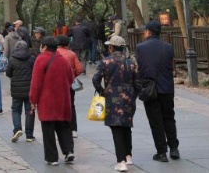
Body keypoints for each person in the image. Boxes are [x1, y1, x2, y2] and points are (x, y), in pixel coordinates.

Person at [93, 35, 139, 172]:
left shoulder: (105, 61)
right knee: (126, 125)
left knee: (116, 128)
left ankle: (121, 162)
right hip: (129, 97)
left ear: (111, 48)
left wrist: (102, 91)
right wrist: (133, 95)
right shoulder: (131, 62)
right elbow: (137, 82)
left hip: (112, 97)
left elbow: (95, 79)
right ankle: (128, 156)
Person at [135, 21, 180, 161]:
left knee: (156, 122)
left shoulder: (140, 47)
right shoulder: (168, 47)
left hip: (150, 88)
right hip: (167, 88)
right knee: (169, 119)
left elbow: (141, 67)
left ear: (148, 32)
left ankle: (161, 152)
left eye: (145, 31)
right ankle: (174, 148)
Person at [30, 36, 75, 166]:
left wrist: (33, 100)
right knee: (64, 126)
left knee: (48, 130)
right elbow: (71, 78)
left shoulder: (41, 59)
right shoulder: (63, 60)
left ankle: (52, 157)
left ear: (44, 47)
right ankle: (68, 151)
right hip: (63, 100)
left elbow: (36, 83)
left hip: (47, 101)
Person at [6, 40, 36, 143]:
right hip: (29, 89)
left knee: (16, 110)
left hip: (16, 90)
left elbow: (8, 73)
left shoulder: (12, 59)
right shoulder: (31, 58)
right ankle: (29, 135)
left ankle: (17, 129)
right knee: (30, 111)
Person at [57, 35, 84, 138]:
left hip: (56, 85)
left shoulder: (54, 53)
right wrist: (72, 75)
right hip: (69, 83)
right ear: (67, 44)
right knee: (71, 105)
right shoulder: (72, 54)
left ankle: (59, 129)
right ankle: (73, 129)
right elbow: (80, 69)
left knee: (58, 106)